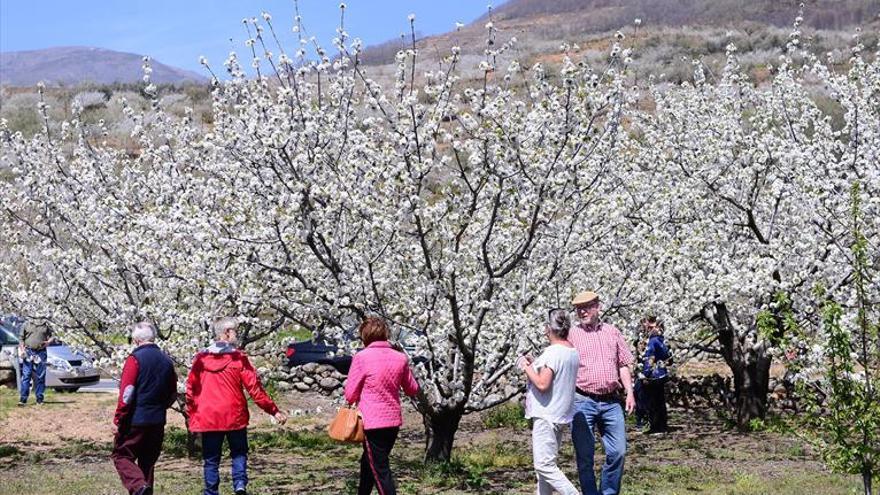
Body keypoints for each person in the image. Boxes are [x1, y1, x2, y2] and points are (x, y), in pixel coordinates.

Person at [186, 317, 288, 495]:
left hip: (210, 417)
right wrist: (273, 410)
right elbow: (254, 389)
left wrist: (193, 413)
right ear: (226, 333)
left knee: (211, 458)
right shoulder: (238, 359)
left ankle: (211, 491)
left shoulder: (200, 360)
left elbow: (191, 389)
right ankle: (239, 485)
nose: (237, 334)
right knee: (239, 453)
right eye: (235, 331)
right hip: (234, 415)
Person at [568, 291, 635, 495]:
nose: (582, 312)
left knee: (618, 452)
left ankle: (608, 492)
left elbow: (623, 364)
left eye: (587, 307)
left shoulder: (612, 332)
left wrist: (630, 392)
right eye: (579, 308)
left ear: (598, 306)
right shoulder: (572, 334)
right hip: (583, 400)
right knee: (585, 456)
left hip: (611, 401)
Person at [344, 317, 420, 495]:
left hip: (372, 423)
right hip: (392, 422)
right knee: (369, 463)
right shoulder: (400, 358)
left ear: (364, 335)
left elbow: (350, 394)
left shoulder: (362, 357)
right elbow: (412, 389)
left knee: (380, 469)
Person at [518, 308, 581, 495]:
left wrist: (526, 367)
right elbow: (555, 374)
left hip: (546, 415)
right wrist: (536, 363)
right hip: (560, 414)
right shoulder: (572, 351)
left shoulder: (553, 352)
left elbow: (542, 383)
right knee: (546, 468)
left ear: (548, 328)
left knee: (544, 466)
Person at [111, 321, 178, 495]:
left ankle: (139, 487)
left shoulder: (135, 359)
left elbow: (127, 392)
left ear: (135, 340)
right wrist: (161, 407)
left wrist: (118, 419)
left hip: (135, 419)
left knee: (121, 455)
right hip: (157, 419)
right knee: (148, 462)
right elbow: (173, 392)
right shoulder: (166, 360)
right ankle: (144, 488)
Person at [640, 316, 671, 434]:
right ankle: (662, 426)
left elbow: (650, 358)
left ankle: (656, 426)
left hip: (653, 375)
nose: (648, 327)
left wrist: (645, 374)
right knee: (659, 401)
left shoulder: (653, 341)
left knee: (652, 402)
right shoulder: (661, 340)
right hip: (661, 374)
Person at [17, 321, 54, 405]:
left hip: (41, 351)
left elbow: (52, 336)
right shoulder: (26, 324)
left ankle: (39, 399)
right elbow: (21, 338)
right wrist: (22, 350)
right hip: (28, 351)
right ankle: (23, 399)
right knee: (27, 375)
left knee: (41, 375)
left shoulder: (46, 324)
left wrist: (48, 342)